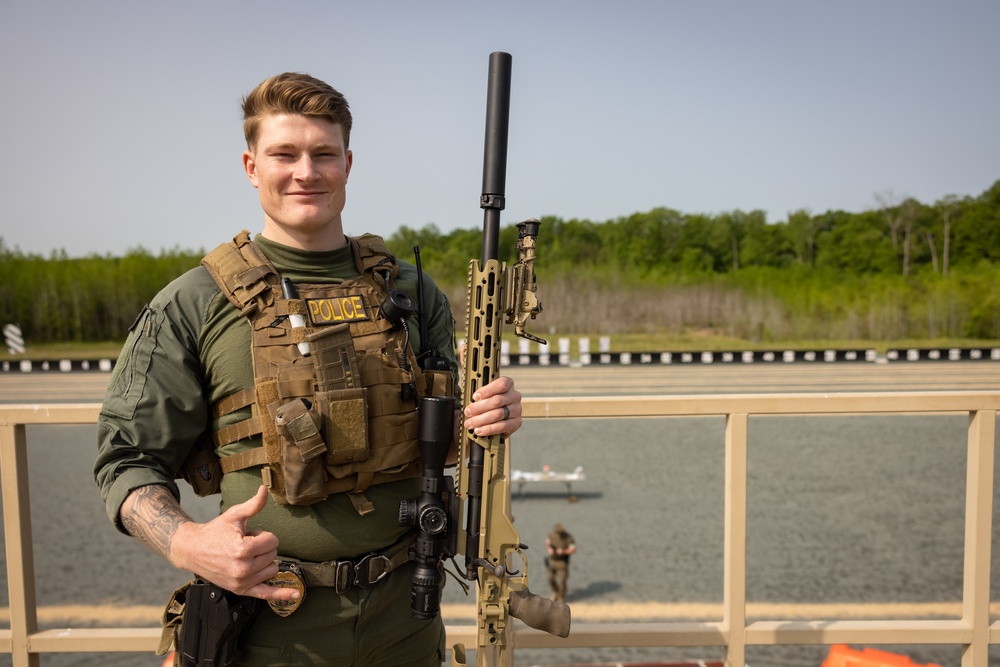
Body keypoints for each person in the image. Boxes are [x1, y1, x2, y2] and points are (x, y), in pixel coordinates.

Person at [94, 72, 524, 667]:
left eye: (324, 154)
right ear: (250, 166)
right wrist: (188, 542)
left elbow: (450, 435)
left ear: (348, 163)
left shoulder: (411, 289)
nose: (306, 172)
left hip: (406, 620)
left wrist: (491, 414)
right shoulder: (193, 302)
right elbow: (125, 458)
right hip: (267, 631)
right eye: (284, 154)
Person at [545, 523, 576, 603]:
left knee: (562, 582)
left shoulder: (568, 538)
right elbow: (547, 542)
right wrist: (549, 549)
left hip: (562, 562)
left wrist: (563, 551)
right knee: (550, 578)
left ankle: (561, 597)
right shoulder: (551, 535)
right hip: (552, 561)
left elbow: (572, 549)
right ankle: (556, 592)